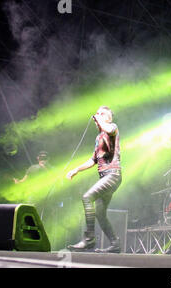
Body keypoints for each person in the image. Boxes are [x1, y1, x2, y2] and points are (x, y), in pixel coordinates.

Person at [66, 106, 122, 253]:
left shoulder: (112, 128)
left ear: (108, 118)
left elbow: (109, 130)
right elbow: (93, 160)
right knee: (100, 214)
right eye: (97, 114)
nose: (97, 116)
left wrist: (99, 118)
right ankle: (115, 244)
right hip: (105, 176)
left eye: (101, 114)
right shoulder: (98, 138)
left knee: (87, 197)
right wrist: (76, 170)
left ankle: (89, 239)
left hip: (113, 174)